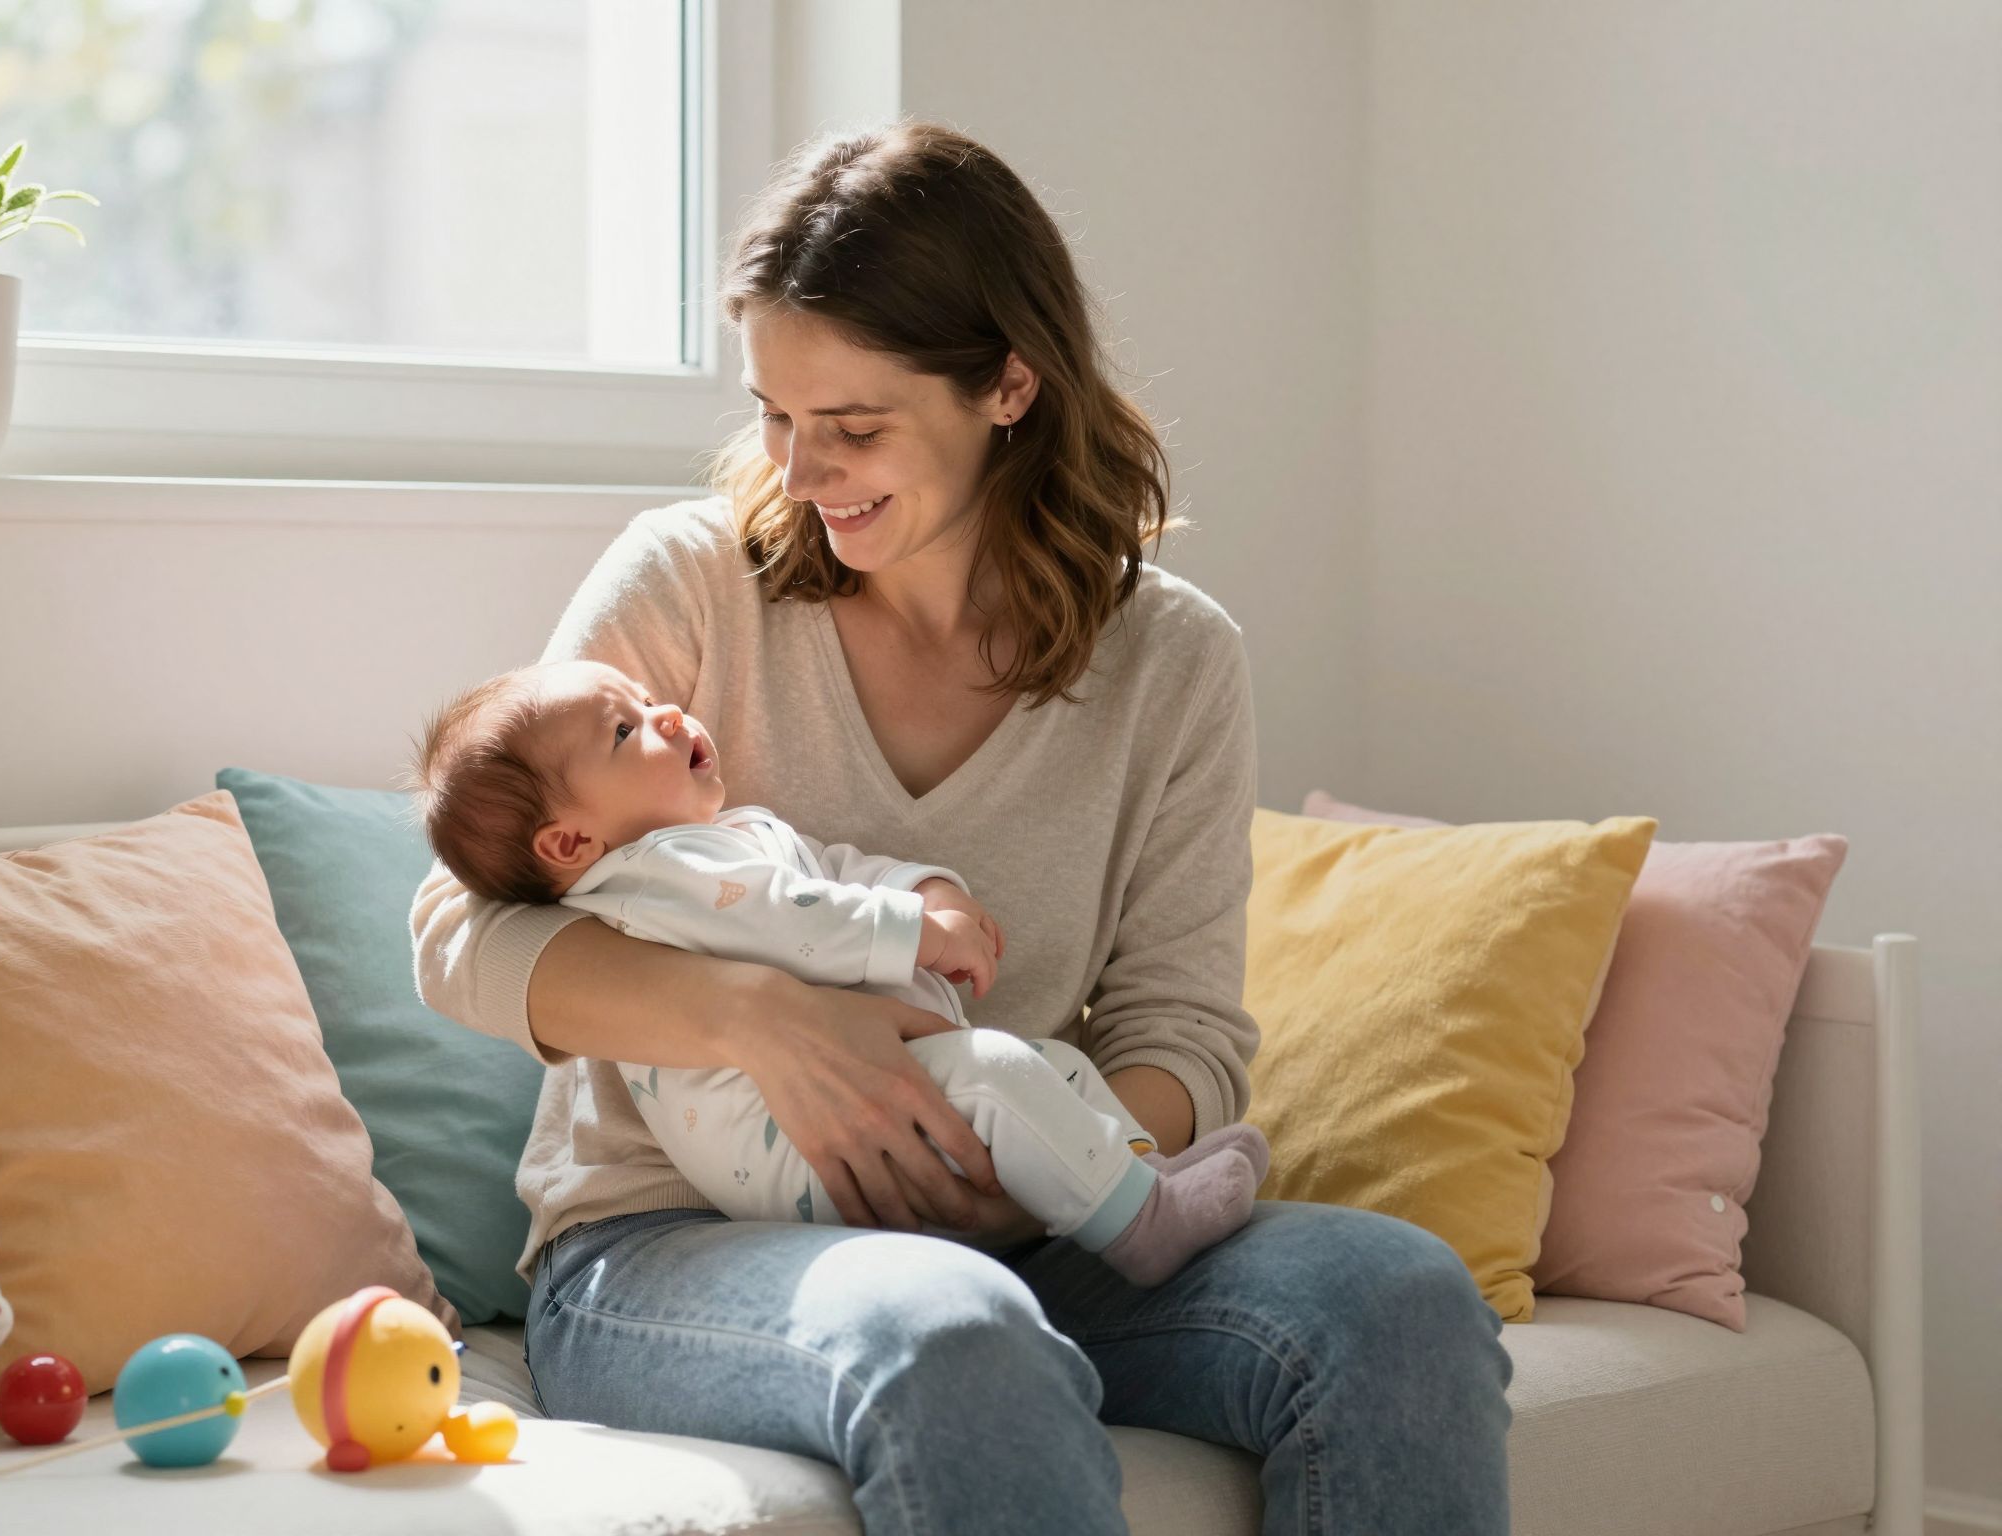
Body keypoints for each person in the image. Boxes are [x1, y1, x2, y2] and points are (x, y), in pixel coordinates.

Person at [410, 118, 1512, 1535]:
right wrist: (756, 1018)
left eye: (855, 427)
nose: (802, 472)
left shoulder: (1172, 662)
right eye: (775, 417)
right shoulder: (691, 586)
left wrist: (1041, 1155)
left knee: (1397, 1301)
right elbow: (457, 931)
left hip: (1038, 1231)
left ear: (1007, 385)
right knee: (950, 1326)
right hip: (668, 1250)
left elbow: (1186, 1038)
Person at [406, 654, 1270, 1285]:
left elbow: (834, 871)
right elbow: (789, 919)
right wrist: (915, 935)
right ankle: (1145, 1225)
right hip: (785, 1149)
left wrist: (928, 891)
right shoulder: (649, 879)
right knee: (1006, 1072)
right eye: (626, 729)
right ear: (568, 842)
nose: (667, 714)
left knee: (1059, 1068)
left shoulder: (731, 837)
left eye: (646, 698)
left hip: (890, 1110)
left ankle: (1136, 1176)